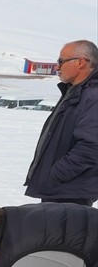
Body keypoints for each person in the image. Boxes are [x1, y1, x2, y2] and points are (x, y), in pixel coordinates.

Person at [24, 39, 98, 206]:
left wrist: (53, 176)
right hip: (60, 190)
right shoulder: (75, 92)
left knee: (64, 233)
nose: (58, 67)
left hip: (69, 192)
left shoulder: (93, 97)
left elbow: (90, 149)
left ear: (81, 62)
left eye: (61, 61)